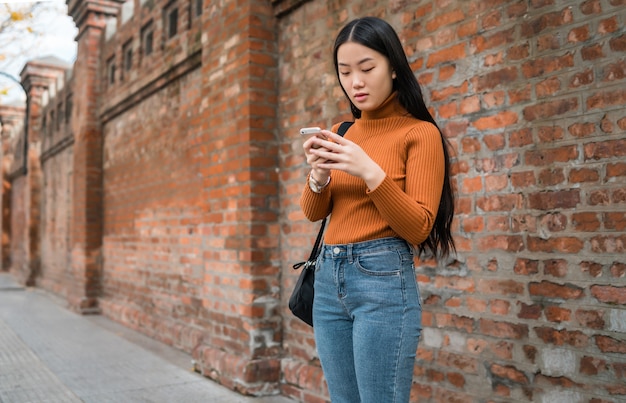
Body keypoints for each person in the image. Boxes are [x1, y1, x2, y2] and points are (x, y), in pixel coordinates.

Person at [299, 16, 456, 403]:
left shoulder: (419, 133)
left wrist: (369, 170)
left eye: (367, 68)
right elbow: (313, 213)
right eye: (345, 71)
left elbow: (419, 226)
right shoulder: (343, 131)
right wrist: (318, 174)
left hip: (382, 280)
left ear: (393, 67)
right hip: (327, 279)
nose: (356, 82)